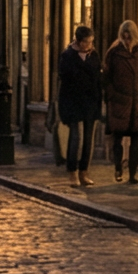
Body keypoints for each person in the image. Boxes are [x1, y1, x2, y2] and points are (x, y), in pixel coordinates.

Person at [100, 20, 138, 184]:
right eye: (124, 36)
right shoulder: (114, 53)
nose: (126, 39)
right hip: (119, 101)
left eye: (129, 36)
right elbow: (105, 76)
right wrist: (112, 94)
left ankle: (132, 174)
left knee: (136, 139)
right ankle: (118, 167)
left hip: (137, 102)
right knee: (118, 138)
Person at [54, 26, 102, 187]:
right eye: (86, 42)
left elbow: (97, 77)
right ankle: (72, 172)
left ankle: (84, 172)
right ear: (78, 41)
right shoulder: (67, 56)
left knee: (89, 138)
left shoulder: (94, 55)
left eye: (91, 42)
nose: (89, 45)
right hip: (73, 102)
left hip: (90, 102)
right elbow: (67, 77)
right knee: (77, 137)